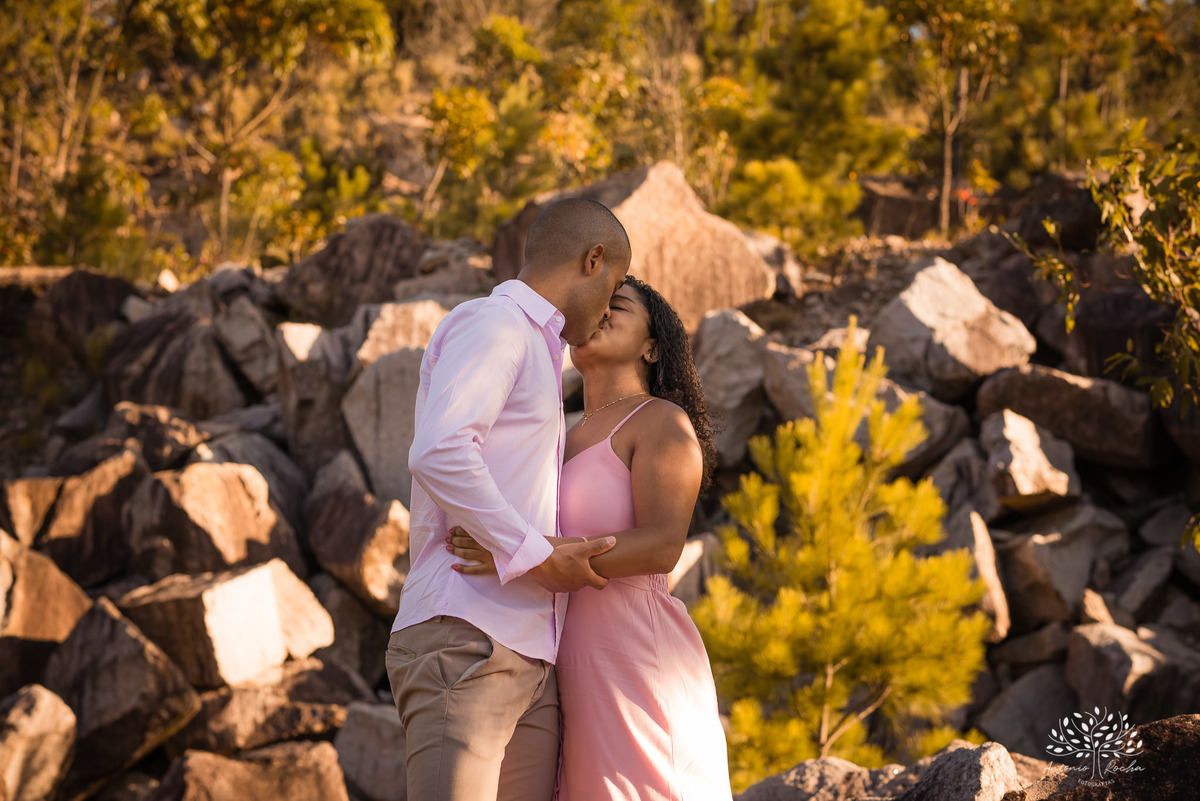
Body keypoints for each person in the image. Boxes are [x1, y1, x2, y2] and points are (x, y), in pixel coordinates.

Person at [450, 275, 734, 800]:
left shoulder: (660, 423)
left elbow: (662, 545)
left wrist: (524, 552)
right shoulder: (560, 431)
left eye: (617, 305)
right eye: (595, 304)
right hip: (565, 667)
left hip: (636, 656)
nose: (599, 312)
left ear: (652, 347)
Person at [386, 197, 632, 801]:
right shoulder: (494, 324)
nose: (609, 307)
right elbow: (440, 451)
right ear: (592, 260)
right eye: (616, 286)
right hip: (465, 635)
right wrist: (534, 553)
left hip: (531, 656)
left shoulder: (543, 352)